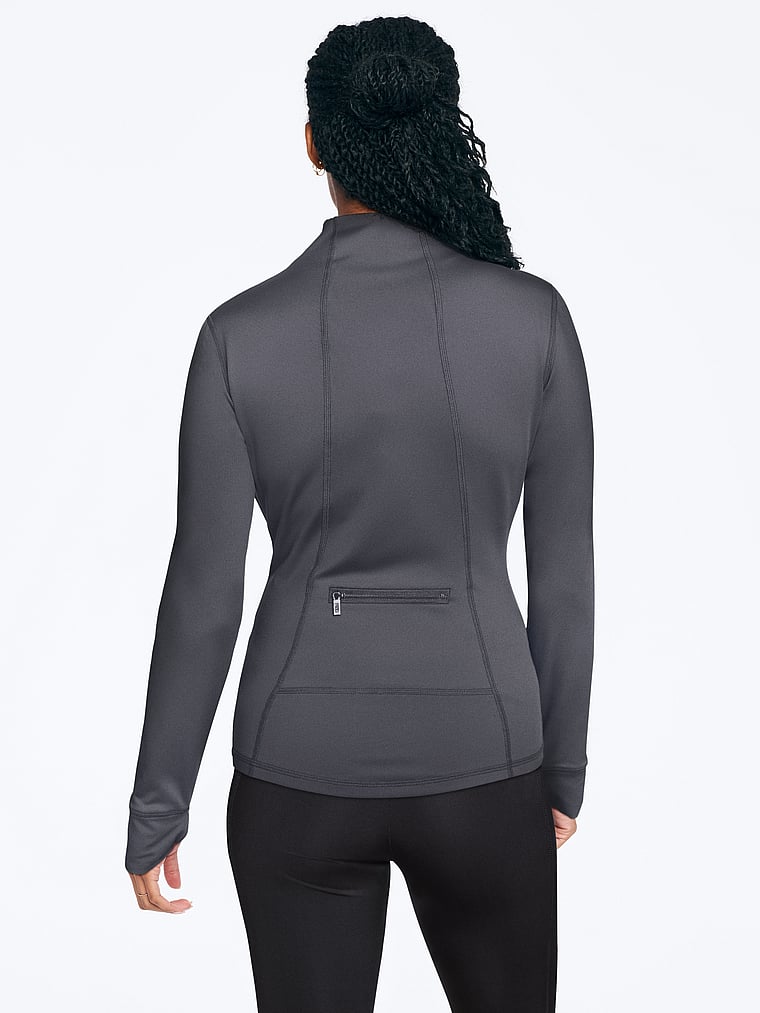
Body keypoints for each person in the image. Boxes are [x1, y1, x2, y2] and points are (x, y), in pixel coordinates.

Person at [125, 15, 595, 1013]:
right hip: (486, 761)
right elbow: (563, 578)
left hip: (294, 773)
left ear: (314, 143)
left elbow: (204, 592)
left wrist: (157, 801)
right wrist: (562, 769)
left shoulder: (237, 335)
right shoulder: (535, 318)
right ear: (441, 127)